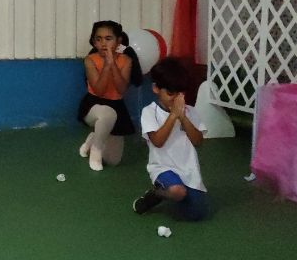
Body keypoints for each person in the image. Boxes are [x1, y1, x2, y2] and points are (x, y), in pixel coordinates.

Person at [133, 57, 209, 221]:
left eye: (180, 94)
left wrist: (183, 117)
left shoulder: (190, 111)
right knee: (177, 191)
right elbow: (158, 141)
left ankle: (176, 195)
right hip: (162, 168)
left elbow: (198, 141)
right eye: (170, 93)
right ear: (156, 88)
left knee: (196, 215)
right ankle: (157, 194)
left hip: (188, 170)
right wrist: (173, 116)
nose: (176, 99)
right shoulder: (150, 112)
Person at [77, 21, 142, 171]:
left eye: (108, 39)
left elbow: (121, 89)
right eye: (98, 39)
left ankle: (93, 138)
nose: (103, 43)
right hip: (93, 105)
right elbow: (99, 90)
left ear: (118, 41)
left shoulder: (126, 60)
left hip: (117, 105)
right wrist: (106, 65)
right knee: (107, 113)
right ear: (94, 42)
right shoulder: (90, 60)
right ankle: (96, 150)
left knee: (112, 161)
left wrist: (113, 64)